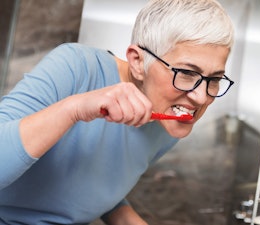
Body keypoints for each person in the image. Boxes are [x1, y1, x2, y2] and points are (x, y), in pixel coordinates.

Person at [0, 0, 235, 224]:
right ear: (137, 62)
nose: (202, 97)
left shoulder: (169, 125)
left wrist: (125, 218)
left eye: (213, 79)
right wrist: (73, 109)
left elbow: (91, 178)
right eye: (186, 73)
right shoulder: (76, 67)